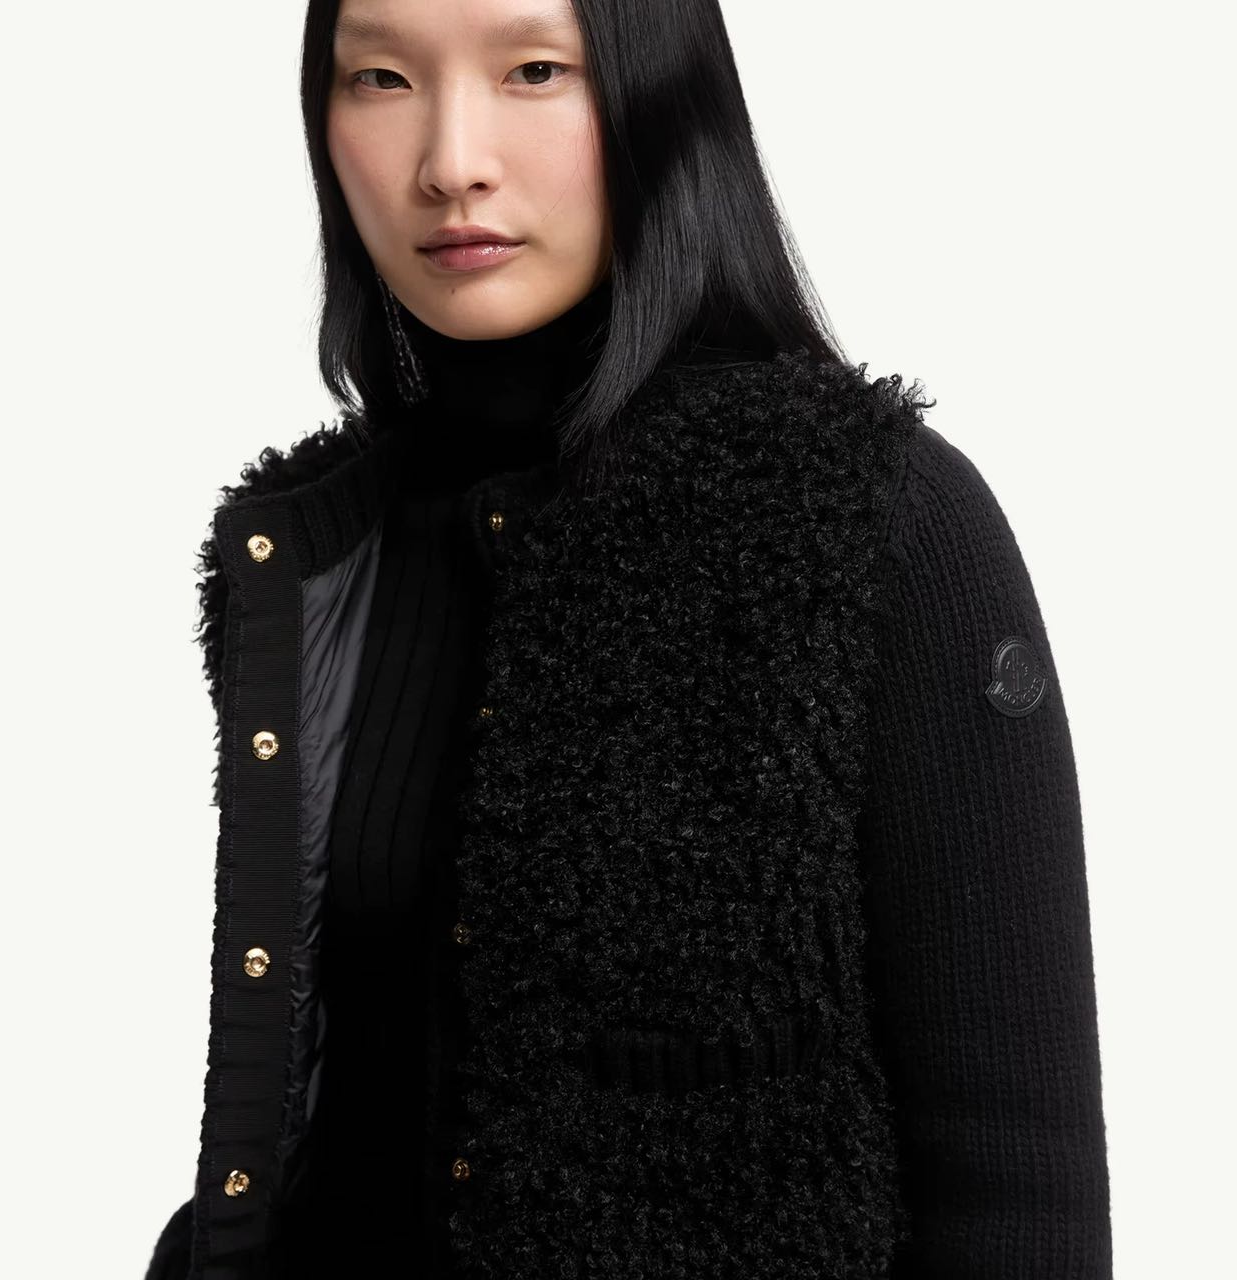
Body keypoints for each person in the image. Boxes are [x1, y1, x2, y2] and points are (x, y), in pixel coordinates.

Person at [144, 0, 1113, 1277]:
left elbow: (1020, 1193)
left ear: (660, 93)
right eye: (378, 78)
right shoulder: (311, 549)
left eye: (533, 70)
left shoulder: (866, 520)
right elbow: (312, 1106)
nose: (450, 161)